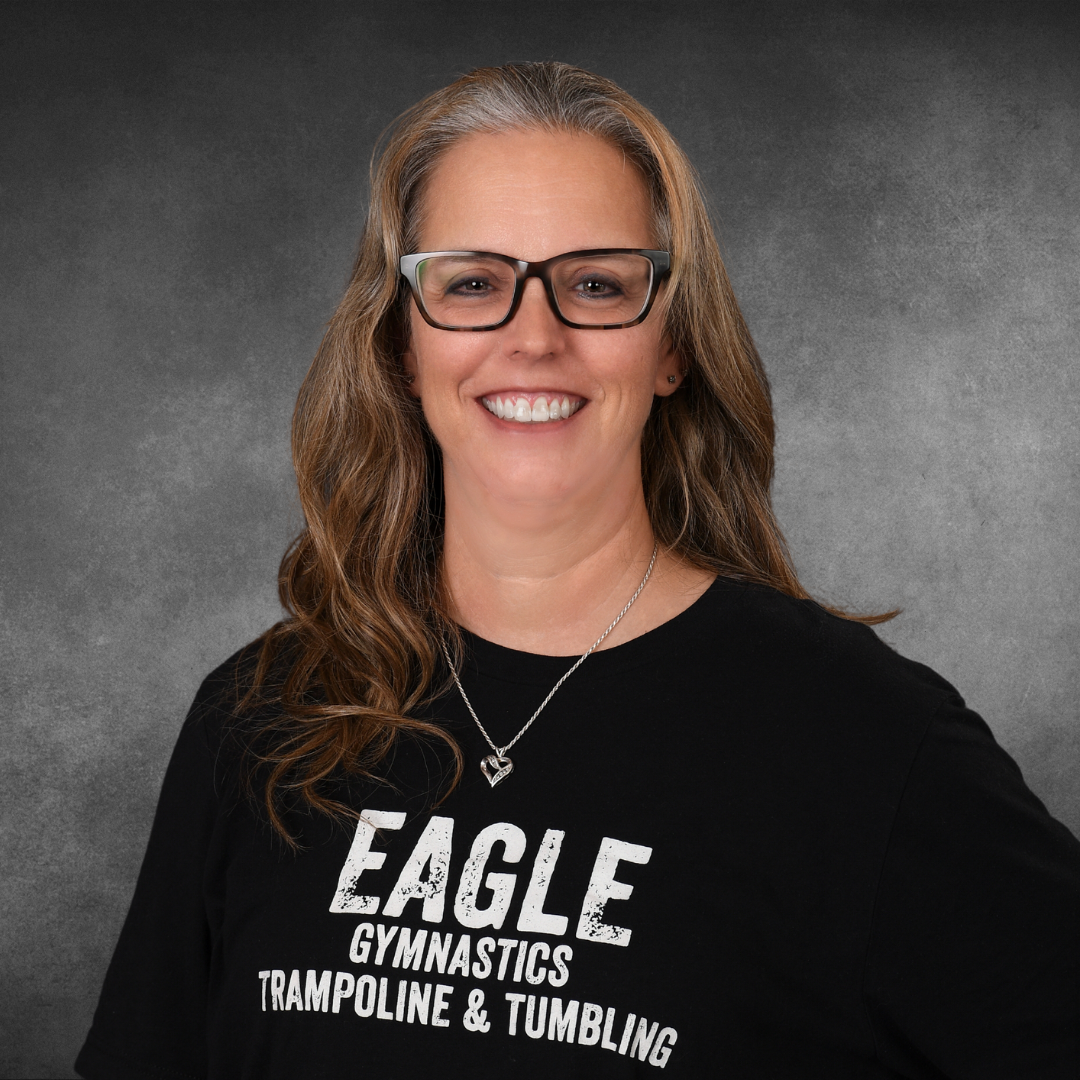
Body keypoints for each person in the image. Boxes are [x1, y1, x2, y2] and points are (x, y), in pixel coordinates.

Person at [76, 61, 1079, 1079]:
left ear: (672, 343)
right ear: (399, 342)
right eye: (471, 283)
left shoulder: (863, 740)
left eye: (597, 283)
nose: (533, 336)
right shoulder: (262, 718)